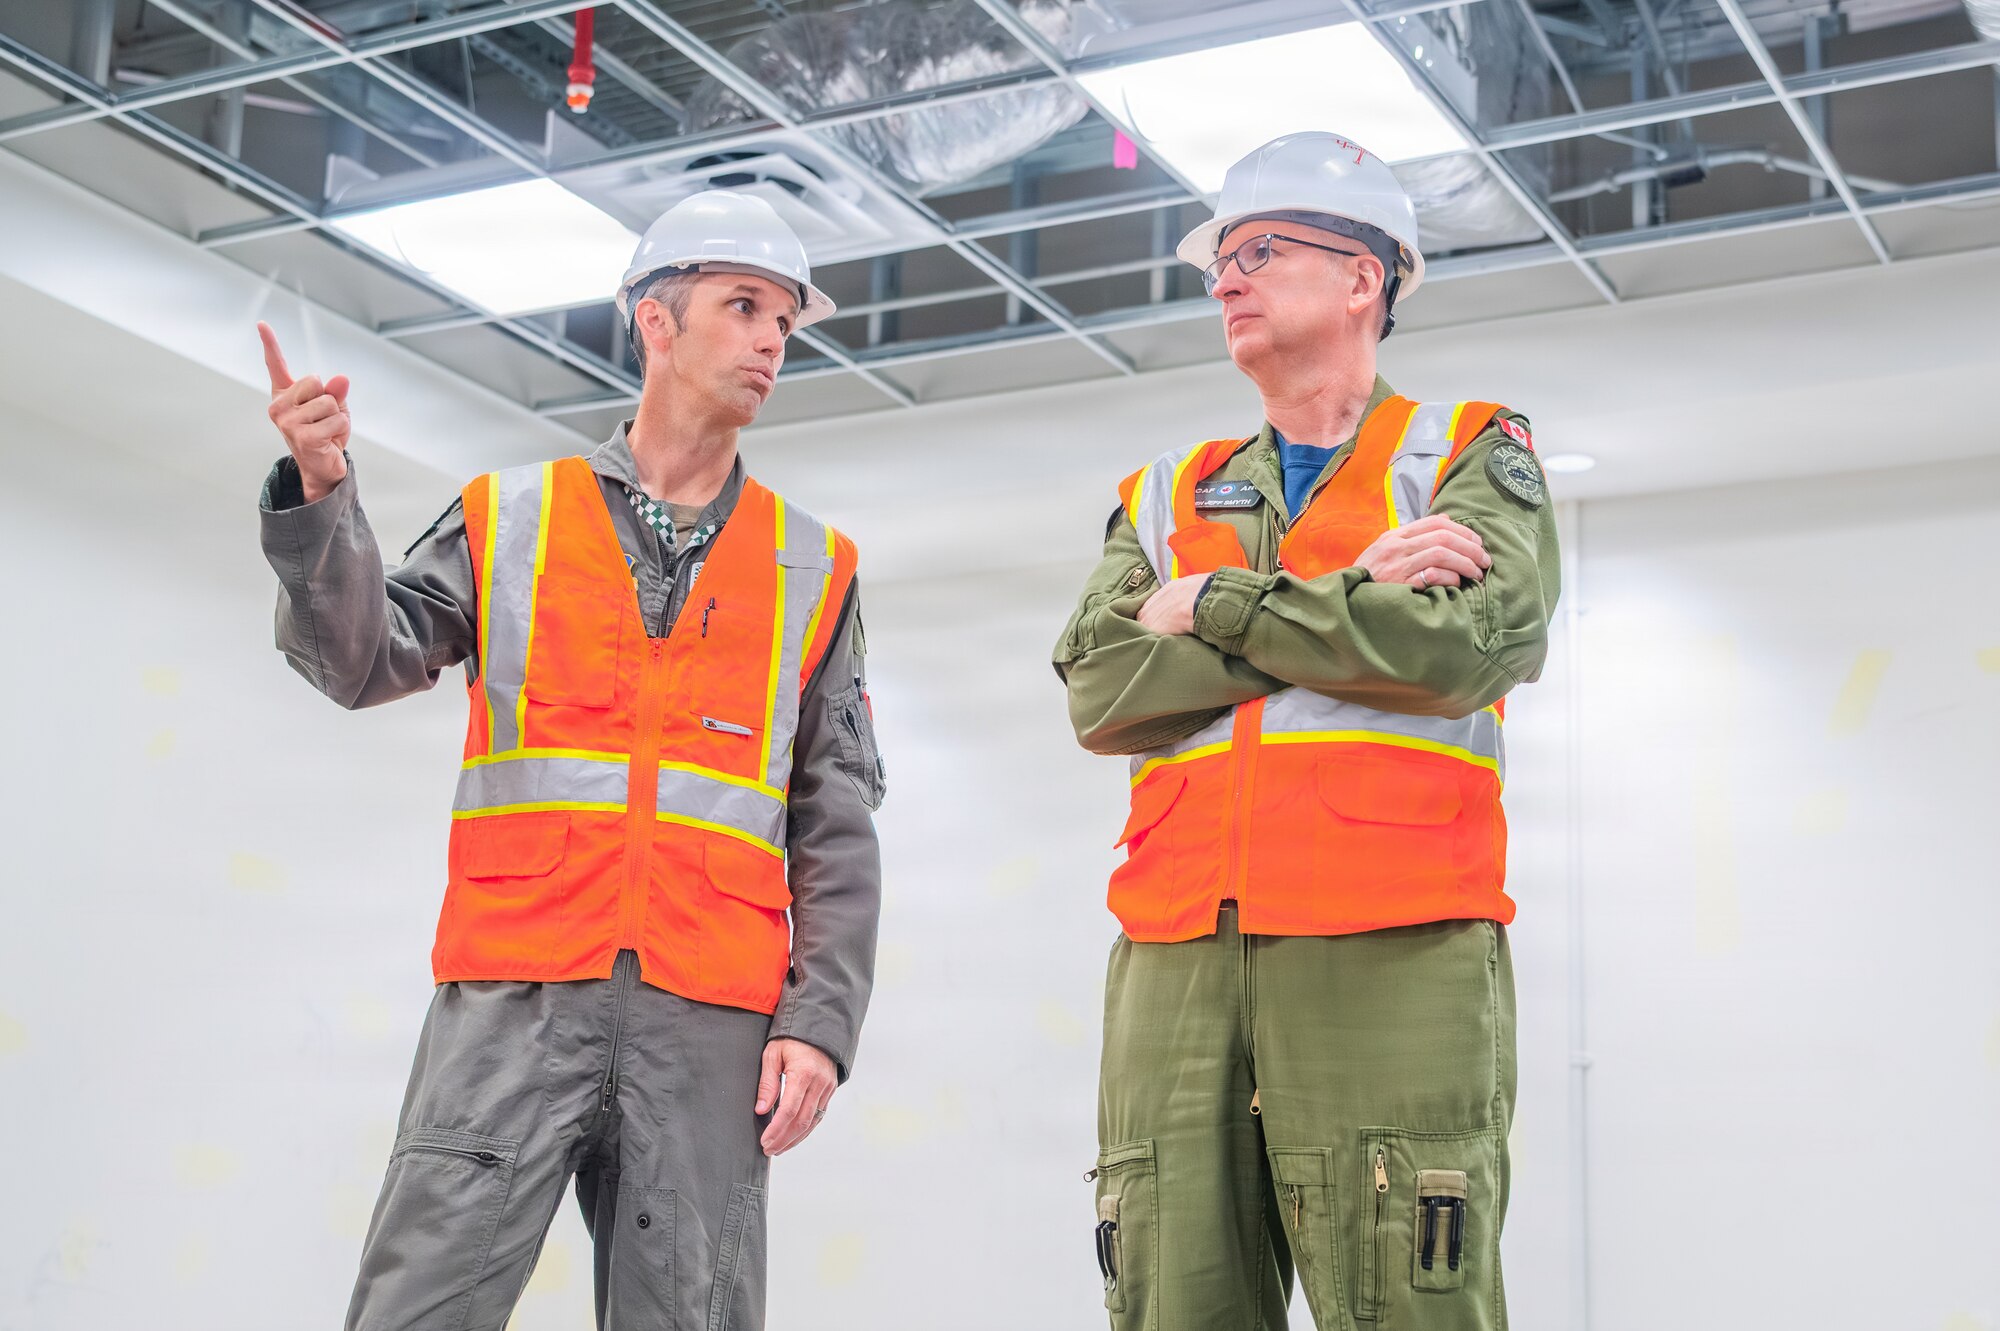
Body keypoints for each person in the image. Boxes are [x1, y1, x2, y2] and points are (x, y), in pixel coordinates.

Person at [256, 189, 887, 1331]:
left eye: (784, 323)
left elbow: (834, 820)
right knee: (422, 1305)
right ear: (655, 321)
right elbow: (359, 658)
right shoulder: (512, 515)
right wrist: (320, 492)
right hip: (516, 992)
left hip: (709, 1016)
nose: (767, 342)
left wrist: (820, 1020)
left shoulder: (812, 565)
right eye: (742, 306)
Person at [1054, 131, 1562, 1331]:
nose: (1224, 280)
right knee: (1169, 1300)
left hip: (1389, 943)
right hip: (1174, 953)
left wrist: (1220, 602)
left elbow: (1467, 646)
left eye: (1260, 250)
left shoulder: (1468, 451)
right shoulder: (1162, 489)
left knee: (1404, 1297)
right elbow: (1101, 690)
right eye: (1220, 260)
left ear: (1361, 277)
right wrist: (1350, 598)